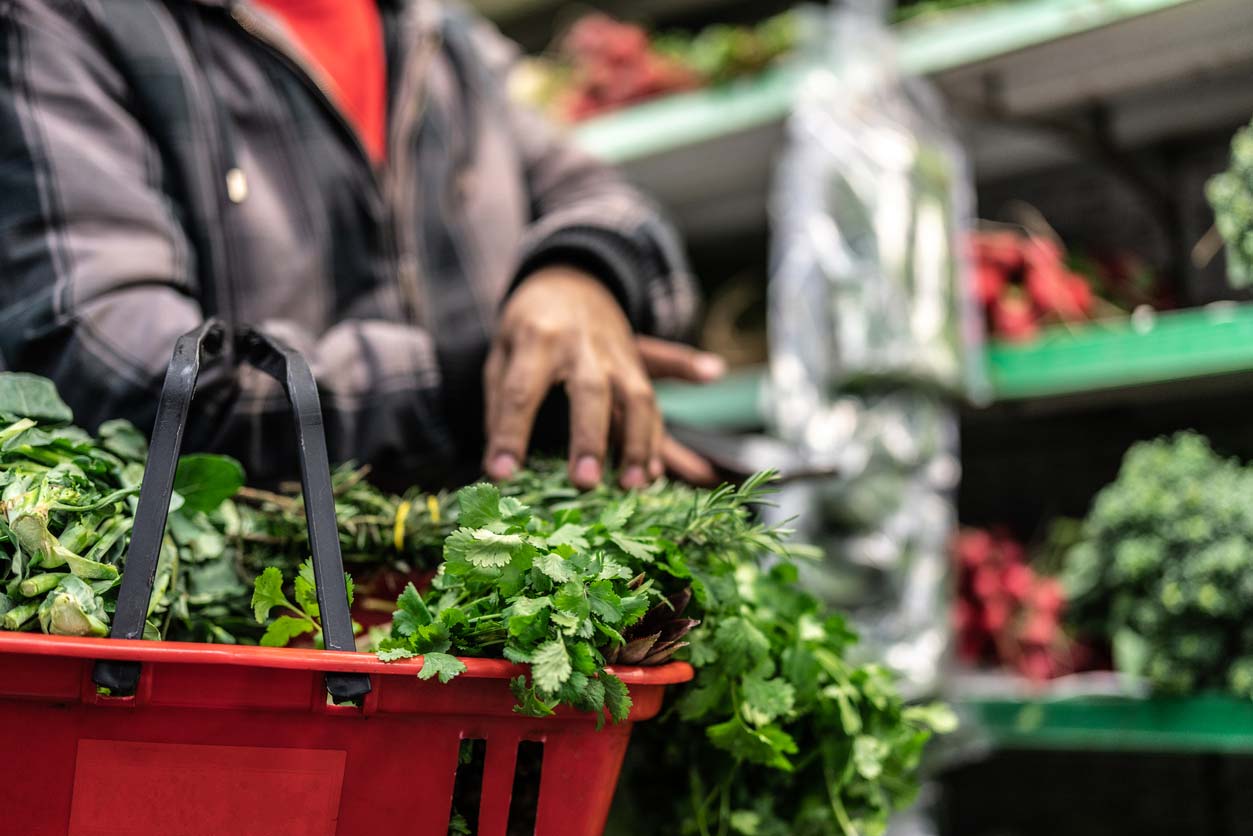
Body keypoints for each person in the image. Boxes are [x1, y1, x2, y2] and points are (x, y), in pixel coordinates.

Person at [0, 0, 722, 490]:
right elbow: (110, 363)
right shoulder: (69, 26)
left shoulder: (433, 27)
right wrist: (475, 383)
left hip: (493, 596)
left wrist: (578, 277)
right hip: (263, 633)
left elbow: (607, 200)